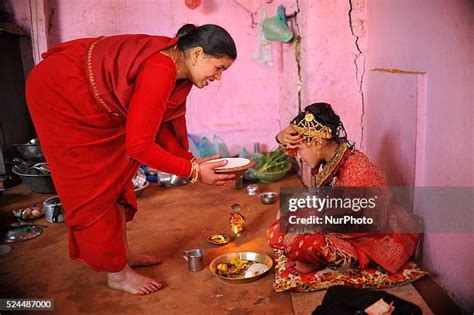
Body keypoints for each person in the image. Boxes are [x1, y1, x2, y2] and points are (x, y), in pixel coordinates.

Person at [25, 24, 237, 295]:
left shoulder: (178, 69)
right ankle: (117, 274)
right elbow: (139, 145)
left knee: (117, 173)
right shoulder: (159, 69)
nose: (218, 77)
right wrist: (194, 172)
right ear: (197, 54)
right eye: (218, 68)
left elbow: (159, 125)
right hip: (62, 92)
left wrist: (191, 162)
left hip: (90, 95)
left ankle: (121, 254)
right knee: (95, 182)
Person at [268, 103, 421, 290]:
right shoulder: (332, 157)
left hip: (370, 238)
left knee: (299, 242)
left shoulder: (357, 167)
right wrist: (280, 136)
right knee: (279, 227)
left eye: (300, 149)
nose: (298, 155)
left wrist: (313, 225)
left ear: (317, 142)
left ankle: (327, 260)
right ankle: (312, 254)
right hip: (334, 220)